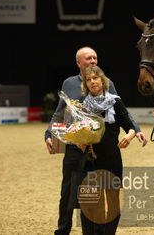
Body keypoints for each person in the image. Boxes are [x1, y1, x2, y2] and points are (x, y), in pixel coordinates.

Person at [44, 46, 147, 235]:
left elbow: (122, 112)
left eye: (95, 58)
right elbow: (59, 112)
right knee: (68, 192)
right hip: (75, 147)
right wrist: (48, 133)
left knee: (93, 196)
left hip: (99, 151)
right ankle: (63, 230)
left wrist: (135, 130)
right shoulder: (69, 83)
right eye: (88, 58)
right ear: (78, 63)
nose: (92, 61)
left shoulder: (109, 86)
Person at [78, 65, 136, 234]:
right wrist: (80, 142)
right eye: (88, 80)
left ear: (102, 80)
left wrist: (129, 137)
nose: (92, 82)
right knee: (94, 203)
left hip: (112, 159)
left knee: (113, 203)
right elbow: (79, 132)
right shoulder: (83, 105)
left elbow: (129, 126)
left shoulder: (115, 101)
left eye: (95, 78)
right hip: (91, 160)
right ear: (86, 84)